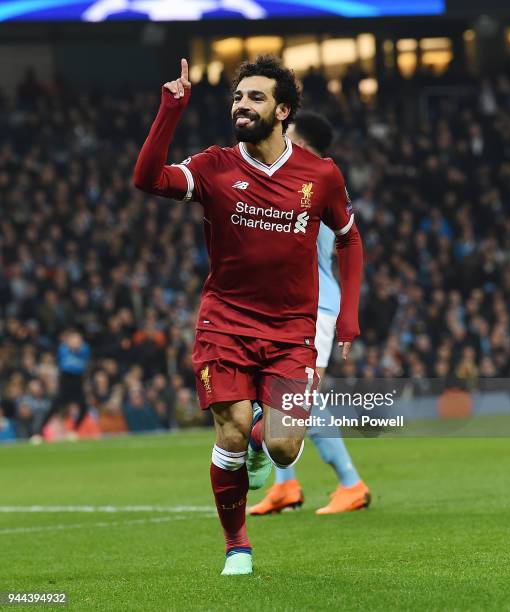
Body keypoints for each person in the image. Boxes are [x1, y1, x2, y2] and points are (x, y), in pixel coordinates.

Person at [134, 56, 363, 575]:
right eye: (238, 97)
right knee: (231, 431)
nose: (242, 105)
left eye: (255, 97)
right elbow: (147, 179)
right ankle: (237, 545)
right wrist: (171, 111)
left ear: (282, 110)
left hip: (290, 331)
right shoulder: (214, 165)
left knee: (282, 449)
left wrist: (347, 316)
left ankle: (266, 440)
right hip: (226, 323)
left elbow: (350, 240)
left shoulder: (320, 175)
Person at [249, 112, 370, 516]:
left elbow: (348, 241)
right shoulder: (300, 178)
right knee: (280, 398)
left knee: (299, 401)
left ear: (304, 144)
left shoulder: (317, 180)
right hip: (290, 307)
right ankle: (287, 485)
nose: (282, 140)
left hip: (315, 307)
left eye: (290, 135)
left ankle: (351, 483)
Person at [39, 330, 91, 434]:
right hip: (66, 382)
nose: (76, 342)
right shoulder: (63, 349)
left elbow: (83, 363)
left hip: (78, 382)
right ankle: (38, 432)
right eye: (74, 340)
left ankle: (74, 430)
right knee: (54, 408)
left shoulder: (85, 349)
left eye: (78, 340)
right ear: (69, 341)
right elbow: (66, 366)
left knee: (84, 408)